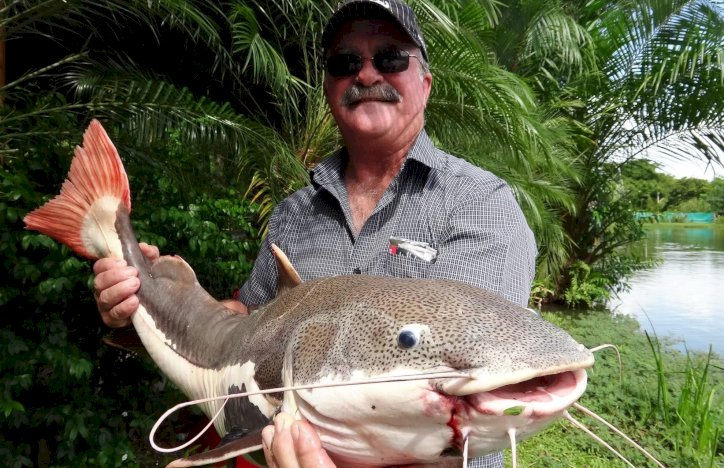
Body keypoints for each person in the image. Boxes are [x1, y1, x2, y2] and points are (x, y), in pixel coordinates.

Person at [93, 0, 537, 466]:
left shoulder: (482, 205)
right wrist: (146, 302)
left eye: (389, 58)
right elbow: (248, 317)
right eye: (346, 63)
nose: (366, 75)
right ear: (328, 89)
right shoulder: (294, 211)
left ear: (424, 85)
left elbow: (477, 374)